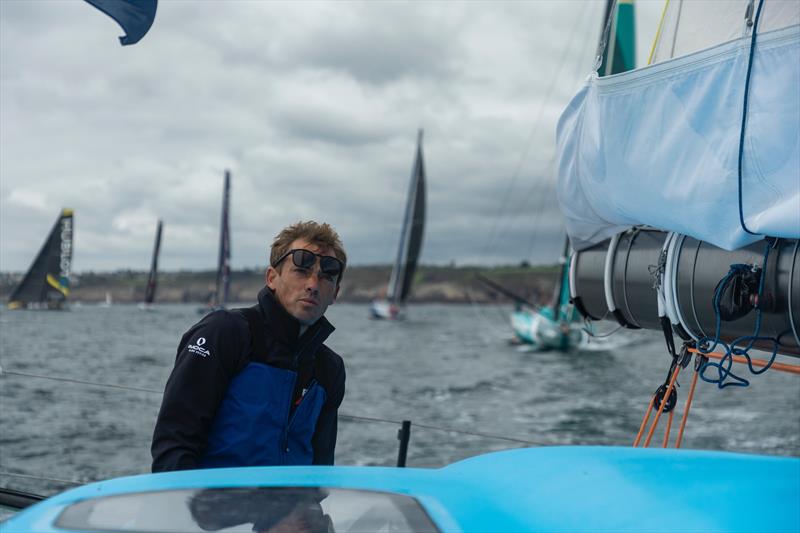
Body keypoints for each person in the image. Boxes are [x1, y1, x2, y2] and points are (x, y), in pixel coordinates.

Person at [151, 220, 347, 471]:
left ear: (335, 293)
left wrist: (308, 508)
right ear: (271, 278)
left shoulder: (329, 368)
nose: (312, 284)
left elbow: (321, 468)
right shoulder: (224, 332)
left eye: (325, 277)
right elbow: (174, 442)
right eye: (301, 271)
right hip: (211, 506)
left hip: (294, 508)